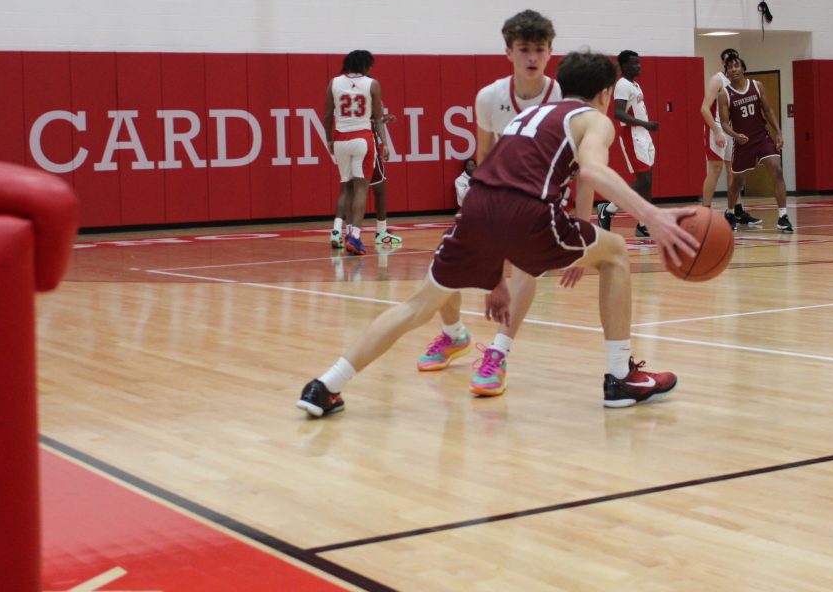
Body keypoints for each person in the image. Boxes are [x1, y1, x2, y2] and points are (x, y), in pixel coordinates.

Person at [297, 49, 699, 418]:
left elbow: (492, 182)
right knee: (615, 253)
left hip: (475, 212)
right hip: (527, 215)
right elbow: (592, 172)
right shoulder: (594, 120)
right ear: (608, 92)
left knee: (416, 306)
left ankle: (324, 385)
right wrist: (652, 215)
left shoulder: (528, 116)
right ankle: (619, 376)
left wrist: (494, 273)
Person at [416, 8, 562, 397]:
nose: (532, 57)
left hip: (542, 200)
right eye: (524, 49)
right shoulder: (489, 97)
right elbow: (484, 159)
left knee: (528, 268)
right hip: (496, 196)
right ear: (508, 52)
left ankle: (498, 353)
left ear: (550, 53)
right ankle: (453, 335)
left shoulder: (561, 96)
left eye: (540, 49)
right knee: (445, 264)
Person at [717, 52, 793, 233]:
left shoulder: (757, 86)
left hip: (762, 136)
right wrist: (735, 135)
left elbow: (768, 110)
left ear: (743, 68)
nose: (734, 69)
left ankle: (783, 216)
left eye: (737, 66)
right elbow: (725, 124)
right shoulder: (724, 94)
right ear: (726, 72)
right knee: (737, 182)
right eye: (730, 67)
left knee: (777, 170)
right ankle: (729, 213)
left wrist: (779, 132)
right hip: (743, 142)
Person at [324, 50, 388, 256]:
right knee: (361, 188)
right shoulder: (372, 84)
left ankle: (338, 231)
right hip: (363, 138)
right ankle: (355, 237)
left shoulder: (333, 82)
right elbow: (377, 119)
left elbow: (326, 116)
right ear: (365, 65)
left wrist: (329, 140)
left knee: (345, 187)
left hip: (341, 138)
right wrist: (385, 143)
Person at [596, 50, 658, 238]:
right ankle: (607, 209)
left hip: (643, 134)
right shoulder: (622, 85)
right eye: (634, 63)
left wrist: (646, 127)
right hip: (632, 134)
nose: (638, 66)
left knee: (648, 183)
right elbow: (618, 113)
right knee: (643, 181)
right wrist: (645, 124)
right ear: (623, 66)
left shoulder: (635, 85)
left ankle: (643, 224)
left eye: (639, 63)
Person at [700, 49, 759, 230]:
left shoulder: (740, 82)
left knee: (735, 171)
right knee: (715, 170)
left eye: (735, 62)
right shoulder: (717, 80)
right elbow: (703, 108)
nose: (732, 66)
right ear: (723, 63)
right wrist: (717, 131)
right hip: (717, 129)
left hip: (733, 131)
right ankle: (705, 212)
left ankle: (735, 211)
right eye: (728, 62)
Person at [367, 111, 404, 246]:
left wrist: (382, 120)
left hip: (345, 141)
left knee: (349, 190)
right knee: (380, 188)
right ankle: (381, 232)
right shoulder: (371, 91)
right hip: (366, 143)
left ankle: (347, 232)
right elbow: (375, 121)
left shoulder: (339, 90)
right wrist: (385, 144)